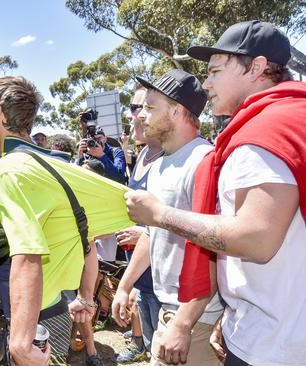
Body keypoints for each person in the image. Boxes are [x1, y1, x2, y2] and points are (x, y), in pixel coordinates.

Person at [126, 20, 306, 366]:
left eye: (215, 71)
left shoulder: (267, 131)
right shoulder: (283, 119)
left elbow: (256, 239)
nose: (206, 83)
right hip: (266, 329)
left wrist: (160, 215)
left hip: (274, 346)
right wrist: (233, 311)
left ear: (256, 68)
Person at [0, 76, 133, 366]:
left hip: (29, 318)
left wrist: (20, 341)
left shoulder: (10, 170)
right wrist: (85, 297)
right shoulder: (55, 164)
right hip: (57, 307)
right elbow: (88, 243)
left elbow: (28, 253)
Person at [114, 69, 224, 366]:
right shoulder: (160, 165)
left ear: (176, 111)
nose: (141, 115)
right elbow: (151, 234)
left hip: (195, 319)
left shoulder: (203, 161)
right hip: (171, 312)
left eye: (150, 107)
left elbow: (214, 246)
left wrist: (183, 324)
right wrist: (125, 286)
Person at [111, 87, 165, 363]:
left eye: (139, 108)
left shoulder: (172, 160)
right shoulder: (143, 156)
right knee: (153, 350)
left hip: (167, 286)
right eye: (132, 109)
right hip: (143, 278)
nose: (133, 116)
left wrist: (145, 232)